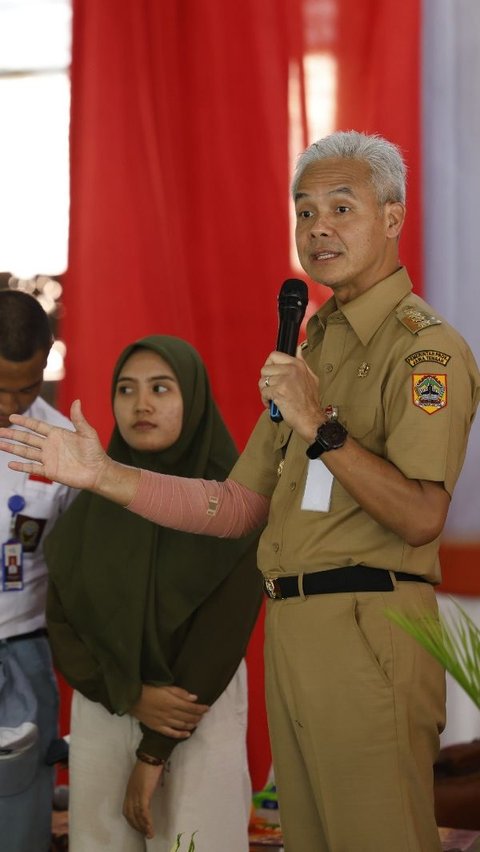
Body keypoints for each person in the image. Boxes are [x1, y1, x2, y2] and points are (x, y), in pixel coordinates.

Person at [1, 130, 479, 852]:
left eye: (340, 208)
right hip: (292, 627)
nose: (317, 226)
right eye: (303, 210)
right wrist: (103, 476)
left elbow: (419, 514)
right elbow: (234, 507)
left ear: (391, 216)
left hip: (368, 622)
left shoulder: (426, 349)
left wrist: (317, 421)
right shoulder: (312, 347)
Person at [42, 335, 263, 852]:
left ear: (193, 397)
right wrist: (128, 693)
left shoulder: (230, 502)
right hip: (106, 706)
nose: (141, 404)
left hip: (194, 711)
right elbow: (62, 620)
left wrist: (154, 751)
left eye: (161, 389)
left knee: (194, 841)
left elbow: (221, 636)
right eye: (126, 389)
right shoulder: (92, 503)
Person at [0, 289, 76, 852]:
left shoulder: (64, 446)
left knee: (21, 821)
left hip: (25, 650)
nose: (9, 404)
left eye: (24, 389)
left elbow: (80, 566)